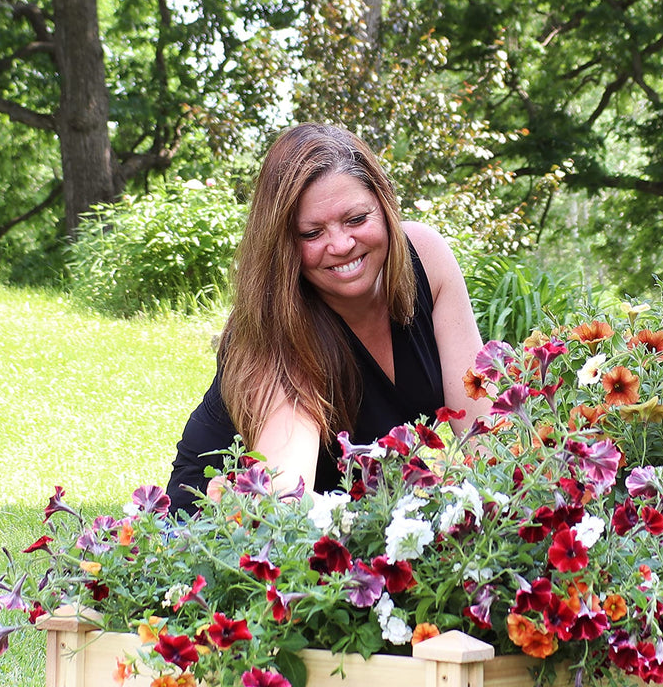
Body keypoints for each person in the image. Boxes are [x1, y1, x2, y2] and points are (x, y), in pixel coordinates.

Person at [167, 123, 488, 513]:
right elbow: (285, 500)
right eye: (312, 232)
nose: (340, 245)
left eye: (355, 220)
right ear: (284, 243)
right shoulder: (278, 324)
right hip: (226, 529)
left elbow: (486, 434)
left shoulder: (427, 258)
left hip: (352, 521)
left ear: (383, 205)